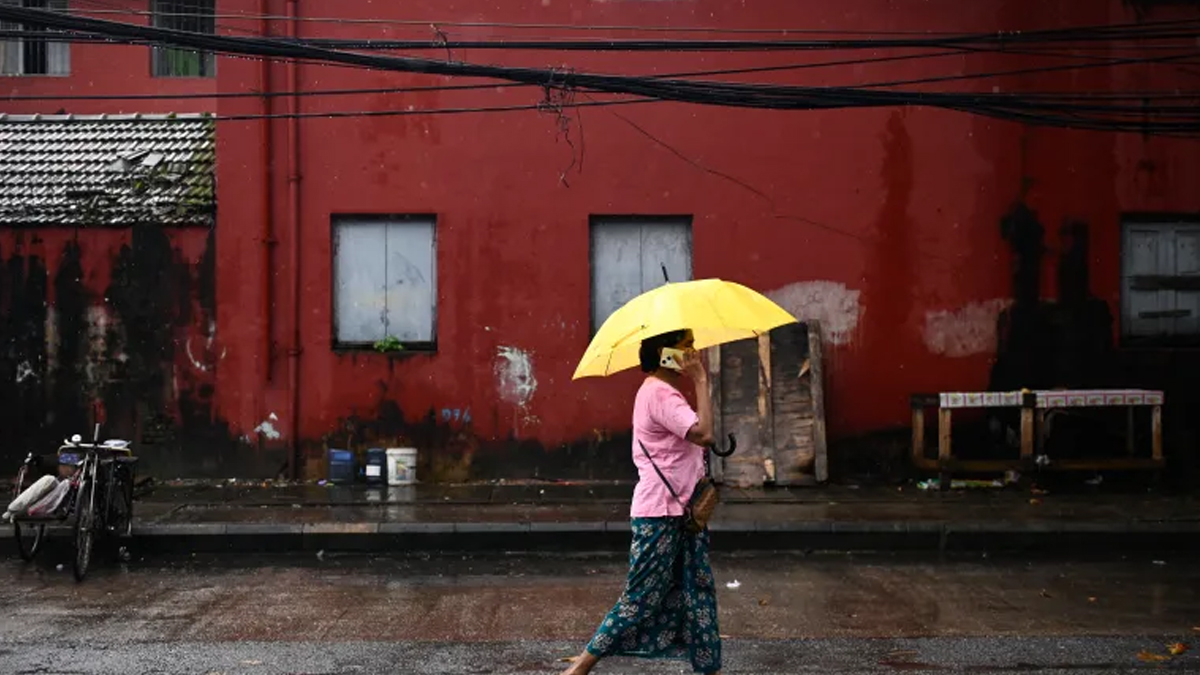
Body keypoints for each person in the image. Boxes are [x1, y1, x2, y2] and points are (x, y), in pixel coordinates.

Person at [561, 328, 722, 675]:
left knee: (698, 593)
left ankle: (711, 669)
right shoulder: (662, 395)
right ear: (665, 353)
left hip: (682, 513)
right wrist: (702, 381)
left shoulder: (659, 391)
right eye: (686, 346)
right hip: (662, 513)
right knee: (640, 598)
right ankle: (581, 667)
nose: (694, 352)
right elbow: (706, 434)